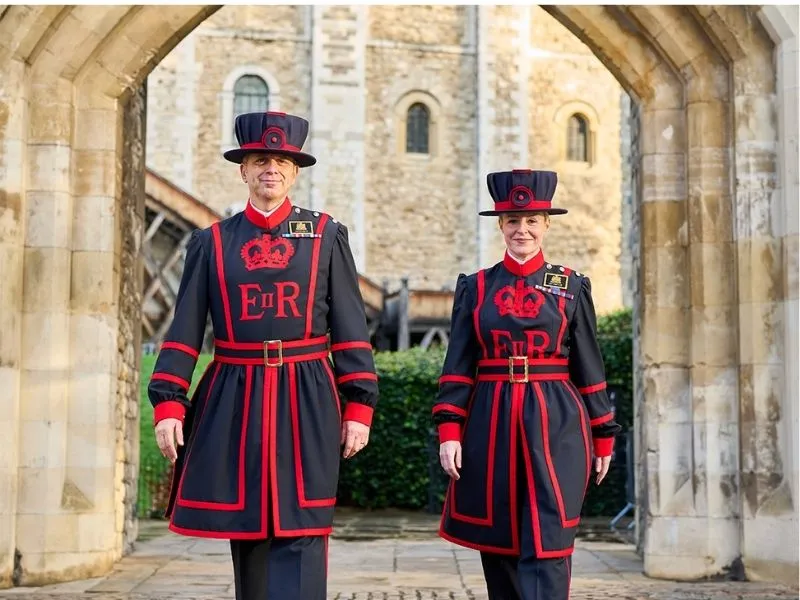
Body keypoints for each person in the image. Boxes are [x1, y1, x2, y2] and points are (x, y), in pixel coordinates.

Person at [147, 111, 379, 600]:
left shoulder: (326, 235)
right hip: (235, 394)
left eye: (279, 161)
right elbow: (186, 328)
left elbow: (351, 327)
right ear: (243, 170)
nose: (269, 168)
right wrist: (169, 401)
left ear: (294, 171)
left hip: (309, 392)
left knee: (303, 526)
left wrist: (359, 405)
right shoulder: (210, 243)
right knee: (248, 530)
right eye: (259, 160)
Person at [432, 169, 621, 600]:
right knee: (498, 541)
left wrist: (603, 436)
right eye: (513, 221)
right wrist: (449, 431)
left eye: (532, 220)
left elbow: (589, 366)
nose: (523, 230)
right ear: (500, 225)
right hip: (489, 422)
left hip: (556, 423)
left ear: (547, 225)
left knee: (549, 539)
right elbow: (458, 365)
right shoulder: (476, 288)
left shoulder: (571, 286)